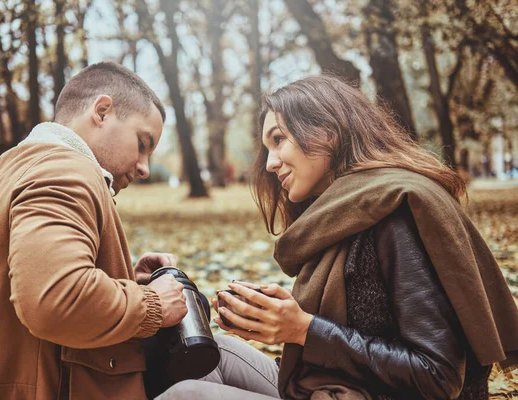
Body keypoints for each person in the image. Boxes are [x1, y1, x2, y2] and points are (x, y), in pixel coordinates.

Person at [157, 75, 518, 400]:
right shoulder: (346, 213)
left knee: (188, 395)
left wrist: (303, 330)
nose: (269, 163)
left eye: (279, 139)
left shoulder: (395, 214)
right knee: (216, 353)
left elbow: (438, 379)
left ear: (327, 131)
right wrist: (279, 323)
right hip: (344, 388)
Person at [0, 62, 188, 400]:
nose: (145, 167)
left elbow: (15, 286)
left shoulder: (4, 170)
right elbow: (56, 301)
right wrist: (152, 304)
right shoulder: (63, 171)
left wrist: (120, 279)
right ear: (102, 111)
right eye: (142, 143)